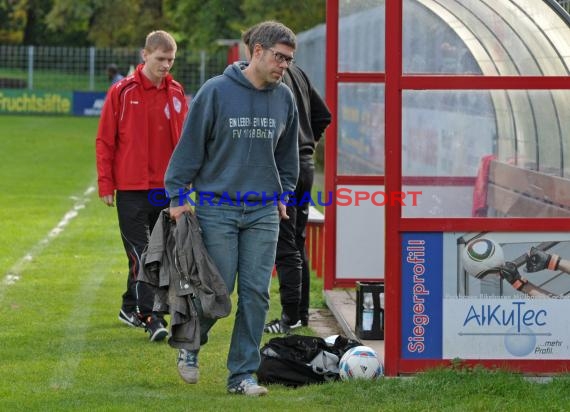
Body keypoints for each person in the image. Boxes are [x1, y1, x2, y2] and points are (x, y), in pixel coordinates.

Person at [165, 21, 299, 396]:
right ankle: (191, 342)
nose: (283, 66)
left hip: (262, 212)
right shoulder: (216, 92)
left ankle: (242, 375)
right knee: (218, 288)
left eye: (288, 60)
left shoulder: (284, 97)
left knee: (257, 294)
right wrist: (177, 197)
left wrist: (284, 194)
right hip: (216, 208)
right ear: (257, 51)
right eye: (279, 57)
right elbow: (189, 147)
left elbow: (289, 158)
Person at [96, 30, 188, 342]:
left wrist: (184, 189)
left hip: (165, 191)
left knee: (158, 254)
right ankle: (152, 317)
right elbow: (105, 140)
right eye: (161, 59)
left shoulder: (176, 93)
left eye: (171, 60)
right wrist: (106, 183)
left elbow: (185, 146)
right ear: (144, 55)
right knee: (144, 254)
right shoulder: (121, 92)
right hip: (131, 191)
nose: (166, 65)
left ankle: (128, 306)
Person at [241, 24, 332, 334]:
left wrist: (297, 145)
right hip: (304, 166)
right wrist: (310, 144)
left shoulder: (275, 82)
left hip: (286, 168)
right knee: (297, 240)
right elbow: (323, 116)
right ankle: (300, 313)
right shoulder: (300, 73)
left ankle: (290, 316)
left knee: (286, 244)